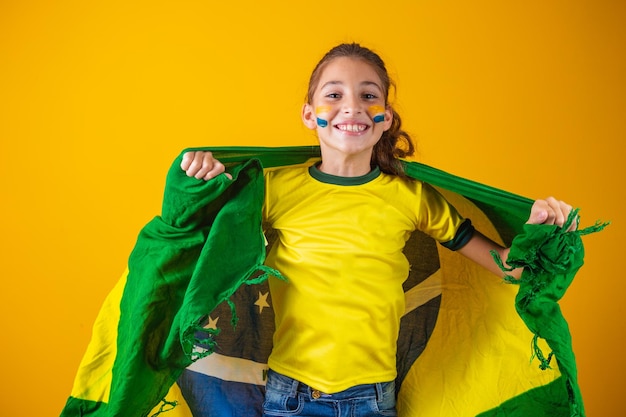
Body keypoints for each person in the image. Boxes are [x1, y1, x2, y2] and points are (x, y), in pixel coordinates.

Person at [180, 43, 575, 417]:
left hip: (373, 399)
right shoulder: (272, 189)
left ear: (385, 116)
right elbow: (200, 242)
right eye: (334, 95)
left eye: (368, 95)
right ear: (308, 114)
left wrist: (546, 231)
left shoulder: (412, 198)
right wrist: (202, 183)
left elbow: (512, 269)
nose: (352, 106)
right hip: (291, 396)